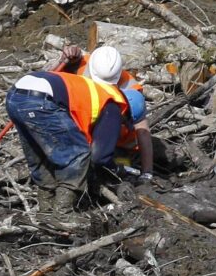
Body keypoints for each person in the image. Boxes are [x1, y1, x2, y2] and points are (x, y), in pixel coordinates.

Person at [5, 68, 145, 220]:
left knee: (40, 154)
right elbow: (99, 157)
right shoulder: (114, 106)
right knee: (78, 153)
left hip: (16, 95)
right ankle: (63, 214)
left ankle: (46, 210)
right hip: (40, 101)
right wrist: (116, 169)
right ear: (129, 114)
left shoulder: (98, 91)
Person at [57, 44, 155, 181]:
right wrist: (66, 59)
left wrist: (147, 172)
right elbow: (54, 77)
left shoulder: (131, 92)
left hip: (120, 145)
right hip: (87, 135)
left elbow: (143, 132)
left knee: (113, 173)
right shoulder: (83, 65)